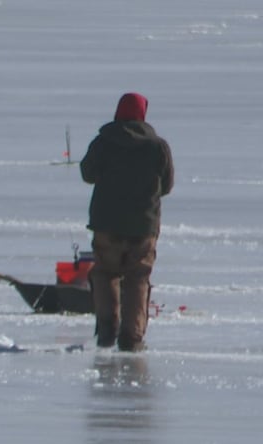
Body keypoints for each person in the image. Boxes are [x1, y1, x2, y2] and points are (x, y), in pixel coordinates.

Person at [80, 92, 174, 351]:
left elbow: (87, 174)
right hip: (143, 226)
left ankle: (107, 331)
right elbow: (167, 185)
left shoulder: (103, 142)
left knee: (105, 274)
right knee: (137, 278)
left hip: (106, 224)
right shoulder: (157, 146)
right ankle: (132, 338)